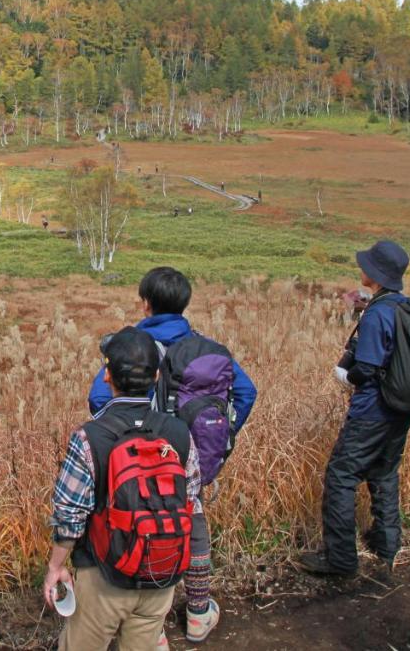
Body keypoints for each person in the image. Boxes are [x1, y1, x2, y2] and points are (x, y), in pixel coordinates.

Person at [86, 266, 257, 643]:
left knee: (142, 527)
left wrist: (122, 439)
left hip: (142, 460)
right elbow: (246, 392)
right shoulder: (205, 345)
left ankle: (153, 629)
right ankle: (198, 612)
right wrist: (221, 436)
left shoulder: (132, 345)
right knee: (191, 521)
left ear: (146, 303)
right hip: (191, 457)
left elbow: (99, 399)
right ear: (184, 303)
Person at [45, 327, 200, 651]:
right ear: (157, 376)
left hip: (105, 576)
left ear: (106, 375)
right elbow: (191, 497)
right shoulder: (179, 432)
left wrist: (56, 566)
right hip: (161, 574)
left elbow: (70, 515)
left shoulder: (90, 436)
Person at [302, 240, 410, 577]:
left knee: (340, 476)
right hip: (400, 409)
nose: (360, 267)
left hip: (371, 411)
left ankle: (341, 559)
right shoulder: (406, 306)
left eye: (365, 264)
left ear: (376, 273)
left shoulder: (378, 313)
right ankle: (386, 543)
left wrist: (345, 376)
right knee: (384, 472)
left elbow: (366, 368)